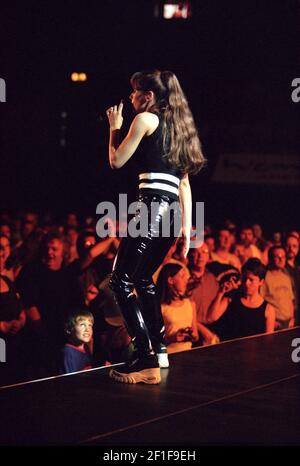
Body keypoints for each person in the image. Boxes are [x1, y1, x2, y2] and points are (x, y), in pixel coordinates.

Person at [106, 69, 205, 384]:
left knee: (120, 280)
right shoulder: (178, 128)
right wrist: (186, 231)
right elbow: (185, 185)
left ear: (148, 96)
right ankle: (160, 351)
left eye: (135, 92)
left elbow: (116, 161)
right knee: (145, 280)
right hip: (172, 212)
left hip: (152, 207)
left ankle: (144, 358)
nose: (131, 97)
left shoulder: (146, 120)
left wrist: (114, 128)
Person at [207, 258, 275, 340]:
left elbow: (268, 342)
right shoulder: (232, 298)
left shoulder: (268, 310)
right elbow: (211, 318)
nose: (246, 283)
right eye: (244, 279)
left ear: (261, 282)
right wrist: (220, 293)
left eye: (251, 280)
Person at [157, 263, 198, 354]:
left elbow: (196, 336)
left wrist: (190, 335)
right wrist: (172, 338)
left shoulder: (190, 303)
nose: (186, 280)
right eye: (182, 276)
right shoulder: (161, 307)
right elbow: (154, 342)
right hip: (169, 355)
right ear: (171, 280)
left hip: (188, 353)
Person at [61, 309, 93, 374]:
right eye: (82, 325)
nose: (87, 329)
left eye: (90, 325)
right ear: (68, 329)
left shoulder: (87, 348)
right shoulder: (68, 352)